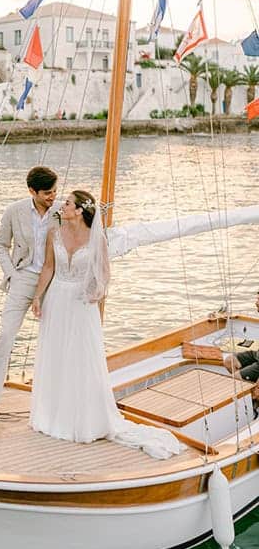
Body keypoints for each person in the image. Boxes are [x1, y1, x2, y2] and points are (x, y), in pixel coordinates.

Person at [29, 190, 182, 459]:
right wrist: (37, 297)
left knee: (81, 358)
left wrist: (97, 293)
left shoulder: (96, 237)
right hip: (58, 299)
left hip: (82, 304)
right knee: (55, 356)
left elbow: (105, 273)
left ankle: (82, 418)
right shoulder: (54, 233)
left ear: (79, 211)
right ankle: (51, 415)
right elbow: (49, 269)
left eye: (67, 203)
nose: (61, 205)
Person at [0, 166, 60, 430]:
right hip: (22, 277)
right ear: (32, 192)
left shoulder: (62, 211)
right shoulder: (13, 211)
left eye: (55, 191)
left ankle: (56, 401)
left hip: (53, 280)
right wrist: (11, 274)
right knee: (5, 337)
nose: (53, 196)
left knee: (58, 338)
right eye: (48, 193)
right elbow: (1, 245)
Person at [223, 291, 259, 384]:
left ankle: (253, 392)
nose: (256, 303)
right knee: (229, 361)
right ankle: (249, 387)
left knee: (235, 378)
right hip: (257, 354)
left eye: (258, 300)